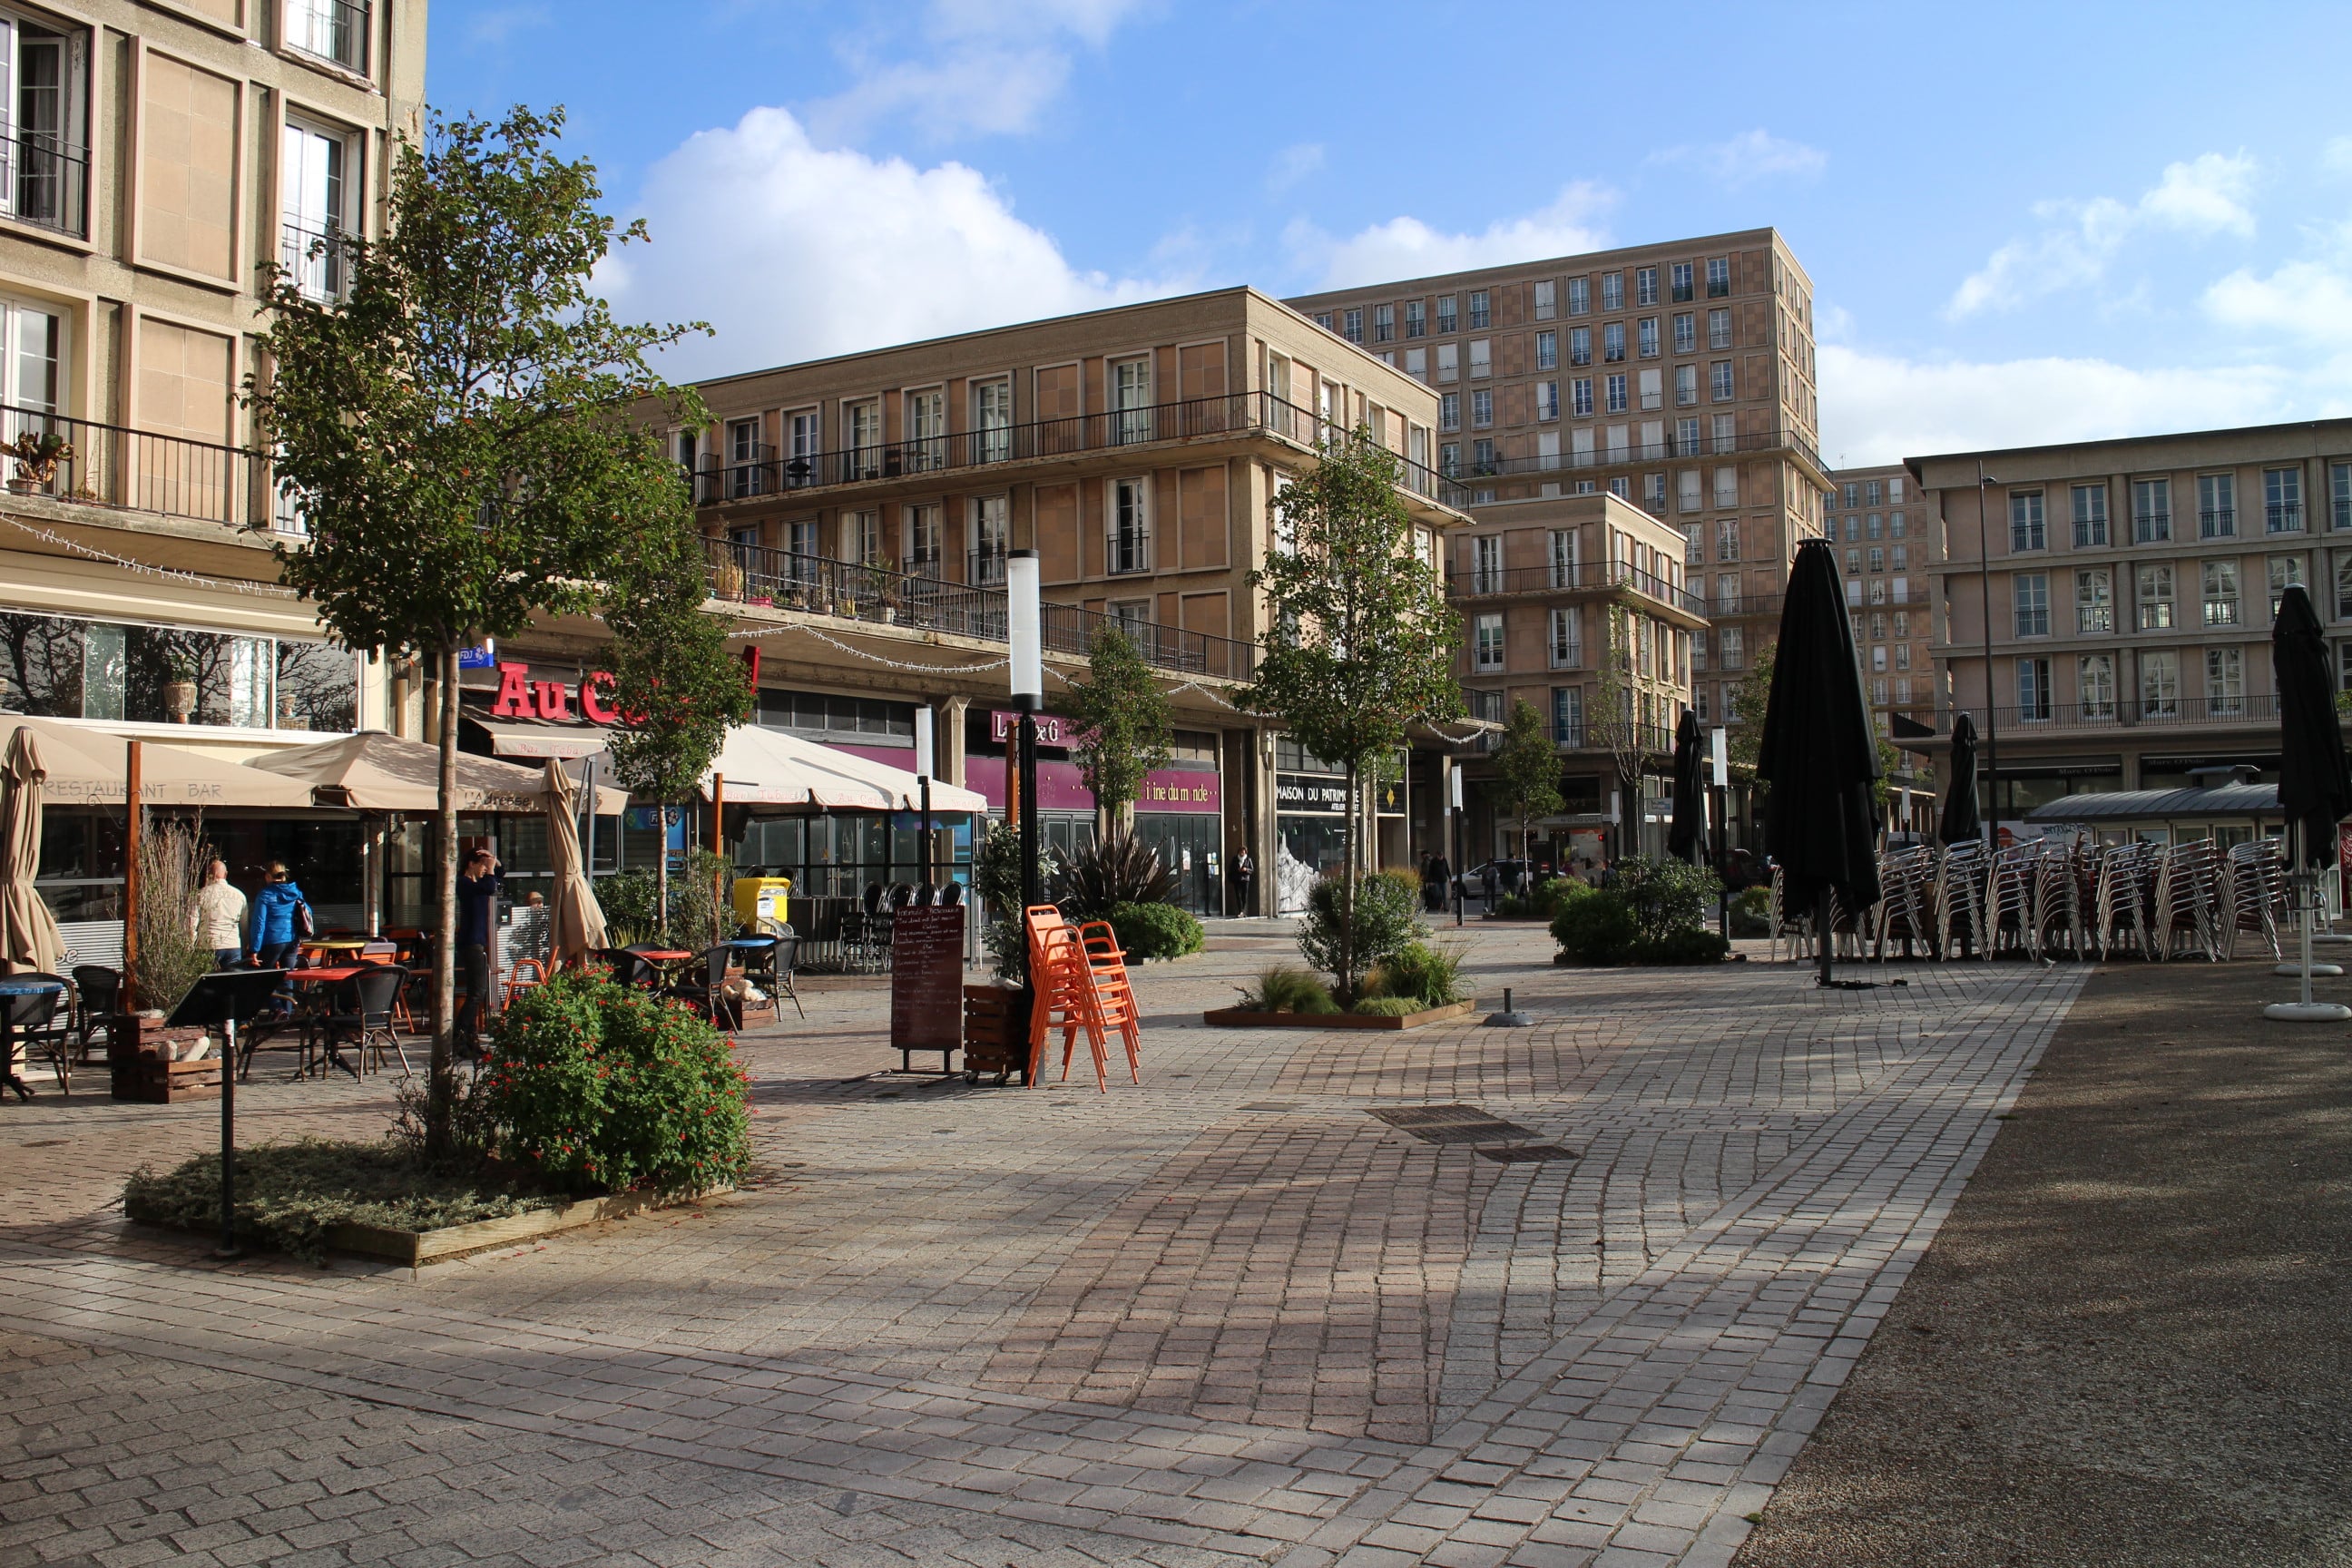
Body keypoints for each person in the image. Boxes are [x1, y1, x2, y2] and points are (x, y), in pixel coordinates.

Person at [455, 847, 504, 1057]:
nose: (486, 870)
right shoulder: (464, 884)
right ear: (471, 864)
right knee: (477, 992)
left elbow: (497, 878)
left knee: (479, 993)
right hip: (470, 942)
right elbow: (490, 887)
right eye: (482, 866)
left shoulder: (477, 884)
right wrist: (491, 870)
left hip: (478, 942)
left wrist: (494, 861)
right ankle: (459, 1037)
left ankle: (470, 1038)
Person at [246, 862, 306, 972]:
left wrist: (254, 949)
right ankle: (287, 990)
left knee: (265, 977)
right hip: (292, 939)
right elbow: (306, 912)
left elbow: (259, 923)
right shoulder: (295, 892)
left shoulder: (265, 895)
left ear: (268, 876)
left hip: (272, 940)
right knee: (288, 977)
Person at [194, 858, 247, 971]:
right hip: (233, 944)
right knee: (232, 983)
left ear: (208, 875)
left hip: (209, 944)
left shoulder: (201, 895)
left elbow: (192, 924)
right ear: (226, 874)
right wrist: (244, 944)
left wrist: (189, 945)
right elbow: (244, 926)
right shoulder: (239, 895)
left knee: (208, 983)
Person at [1231, 848, 1254, 916]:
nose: (1242, 853)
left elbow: (1252, 870)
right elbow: (1231, 868)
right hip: (1237, 879)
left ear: (1245, 853)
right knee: (1238, 895)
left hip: (1245, 880)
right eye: (1241, 852)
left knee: (1244, 896)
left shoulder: (1248, 859)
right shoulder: (1235, 859)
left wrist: (1246, 869)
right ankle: (1240, 911)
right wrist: (1237, 870)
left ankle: (1243, 910)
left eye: (1243, 852)